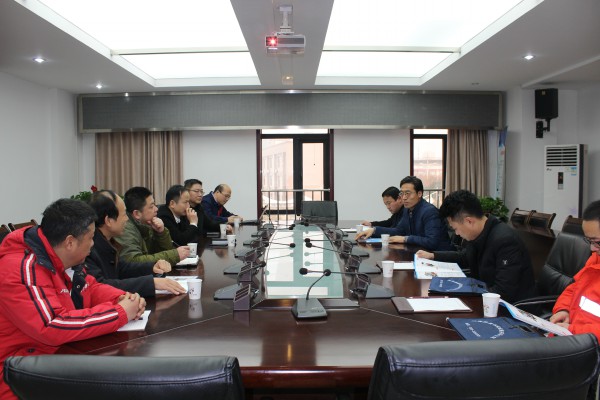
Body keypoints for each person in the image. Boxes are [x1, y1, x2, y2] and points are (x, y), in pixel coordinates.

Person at [0, 199, 145, 400]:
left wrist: (120, 298)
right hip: (18, 379)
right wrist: (119, 312)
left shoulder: (60, 257)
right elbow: (52, 325)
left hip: (56, 360)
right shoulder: (22, 268)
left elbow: (90, 287)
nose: (93, 244)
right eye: (91, 238)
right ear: (70, 242)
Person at [415, 190, 535, 303]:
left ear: (469, 221)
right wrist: (433, 255)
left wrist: (463, 295)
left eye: (455, 228)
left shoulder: (505, 241)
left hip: (511, 308)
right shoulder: (479, 233)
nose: (457, 233)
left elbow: (503, 292)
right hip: (486, 299)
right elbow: (464, 257)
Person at [86, 190, 186, 297]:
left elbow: (121, 268)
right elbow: (101, 286)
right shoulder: (88, 248)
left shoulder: (106, 241)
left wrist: (152, 267)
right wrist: (151, 283)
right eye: (124, 214)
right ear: (108, 221)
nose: (126, 219)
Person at [356, 176, 452, 251]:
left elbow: (432, 241)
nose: (404, 198)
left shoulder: (429, 211)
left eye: (408, 193)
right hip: (419, 253)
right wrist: (374, 230)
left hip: (438, 257)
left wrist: (405, 239)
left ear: (419, 194)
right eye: (402, 193)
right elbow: (399, 231)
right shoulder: (407, 209)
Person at [550, 200, 600, 338]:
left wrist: (573, 330)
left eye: (597, 242)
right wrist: (564, 309)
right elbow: (574, 288)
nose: (592, 248)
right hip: (573, 338)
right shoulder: (595, 259)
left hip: (586, 344)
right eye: (589, 241)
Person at [115, 186, 189, 266]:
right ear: (137, 214)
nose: (156, 209)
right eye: (151, 206)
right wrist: (174, 255)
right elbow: (133, 261)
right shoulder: (125, 229)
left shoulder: (146, 224)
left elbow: (159, 253)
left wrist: (161, 233)